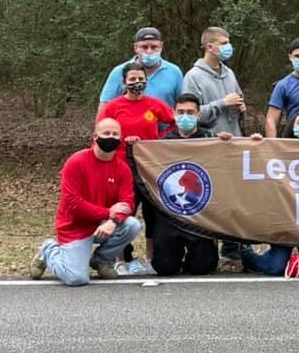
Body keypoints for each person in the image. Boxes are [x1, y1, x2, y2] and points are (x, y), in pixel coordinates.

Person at [29, 118, 142, 285]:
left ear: (120, 138)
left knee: (133, 225)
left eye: (115, 134)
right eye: (106, 133)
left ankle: (102, 260)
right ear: (95, 136)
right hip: (76, 227)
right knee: (76, 279)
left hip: (104, 225)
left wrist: (113, 221)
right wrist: (108, 212)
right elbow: (73, 204)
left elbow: (128, 203)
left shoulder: (122, 168)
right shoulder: (77, 162)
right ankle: (49, 250)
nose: (110, 137)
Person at [98, 62, 175, 269]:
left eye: (140, 79)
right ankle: (120, 260)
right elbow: (101, 134)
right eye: (132, 79)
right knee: (124, 212)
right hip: (121, 167)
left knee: (152, 214)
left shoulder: (155, 104)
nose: (137, 83)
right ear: (124, 82)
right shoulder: (113, 107)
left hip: (149, 167)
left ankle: (150, 259)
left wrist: (158, 140)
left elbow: (174, 123)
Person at [181, 26, 246, 261]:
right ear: (210, 46)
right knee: (212, 197)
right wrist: (221, 103)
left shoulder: (229, 74)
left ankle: (232, 246)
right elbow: (192, 116)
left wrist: (240, 108)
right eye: (224, 42)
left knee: (233, 197)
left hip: (234, 141)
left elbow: (236, 102)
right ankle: (207, 245)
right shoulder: (193, 77)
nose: (228, 46)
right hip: (209, 146)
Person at [241, 112, 299, 276]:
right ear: (291, 127)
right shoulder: (278, 151)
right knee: (276, 268)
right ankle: (249, 256)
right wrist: (255, 144)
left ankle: (293, 259)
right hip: (284, 221)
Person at [150, 93, 223, 276]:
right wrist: (134, 146)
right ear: (173, 113)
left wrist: (236, 144)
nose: (185, 116)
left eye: (190, 112)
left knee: (201, 268)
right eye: (181, 112)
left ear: (198, 115)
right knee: (164, 267)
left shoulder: (211, 140)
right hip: (170, 213)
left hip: (201, 212)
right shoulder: (163, 144)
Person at [97, 27, 183, 116]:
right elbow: (105, 107)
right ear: (135, 47)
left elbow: (182, 105)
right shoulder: (119, 72)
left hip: (166, 128)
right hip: (129, 128)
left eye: (154, 47)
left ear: (161, 46)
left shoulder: (174, 72)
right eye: (144, 47)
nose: (149, 51)